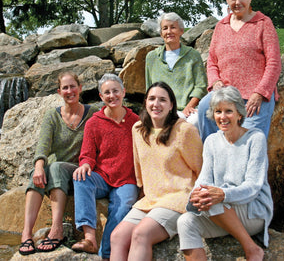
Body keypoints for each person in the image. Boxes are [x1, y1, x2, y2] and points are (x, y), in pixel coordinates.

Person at [177, 86, 273, 261]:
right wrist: (195, 195)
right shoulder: (212, 141)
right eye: (218, 111)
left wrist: (222, 194)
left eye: (228, 111)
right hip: (222, 209)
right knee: (185, 222)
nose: (222, 117)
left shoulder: (255, 139)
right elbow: (204, 179)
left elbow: (253, 186)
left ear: (239, 114)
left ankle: (252, 249)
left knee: (212, 199)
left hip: (252, 210)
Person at [110, 81, 203, 261]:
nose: (156, 104)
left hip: (178, 197)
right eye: (152, 99)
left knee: (141, 234)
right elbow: (139, 166)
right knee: (117, 237)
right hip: (151, 199)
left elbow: (201, 169)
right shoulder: (138, 130)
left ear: (171, 106)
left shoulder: (185, 131)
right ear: (145, 102)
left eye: (162, 100)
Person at [19, 71, 97, 255]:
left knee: (54, 167)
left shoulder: (93, 114)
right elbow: (43, 146)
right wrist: (38, 166)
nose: (69, 91)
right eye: (65, 88)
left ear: (80, 88)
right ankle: (26, 233)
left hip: (79, 171)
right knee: (39, 172)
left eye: (72, 86)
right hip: (55, 173)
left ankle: (57, 229)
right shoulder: (52, 116)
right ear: (59, 92)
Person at [198, 0, 281, 142]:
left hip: (255, 94)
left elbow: (274, 63)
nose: (237, 2)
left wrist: (260, 93)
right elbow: (212, 61)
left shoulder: (263, 23)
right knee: (203, 109)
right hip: (226, 92)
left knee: (248, 142)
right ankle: (213, 158)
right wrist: (215, 82)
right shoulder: (221, 26)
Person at [71, 73, 139, 260]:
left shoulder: (136, 123)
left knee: (123, 205)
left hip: (127, 179)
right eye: (107, 92)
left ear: (123, 92)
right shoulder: (94, 122)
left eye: (115, 91)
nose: (112, 96)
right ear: (101, 97)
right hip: (102, 176)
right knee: (80, 178)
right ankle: (90, 238)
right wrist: (85, 165)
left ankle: (107, 253)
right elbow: (87, 154)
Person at [145, 12, 207, 128]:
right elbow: (149, 88)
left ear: (181, 31)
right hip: (161, 108)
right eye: (165, 28)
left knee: (191, 123)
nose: (169, 32)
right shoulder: (151, 57)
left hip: (188, 110)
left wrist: (189, 106)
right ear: (161, 33)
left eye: (173, 27)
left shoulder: (193, 55)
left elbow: (201, 86)